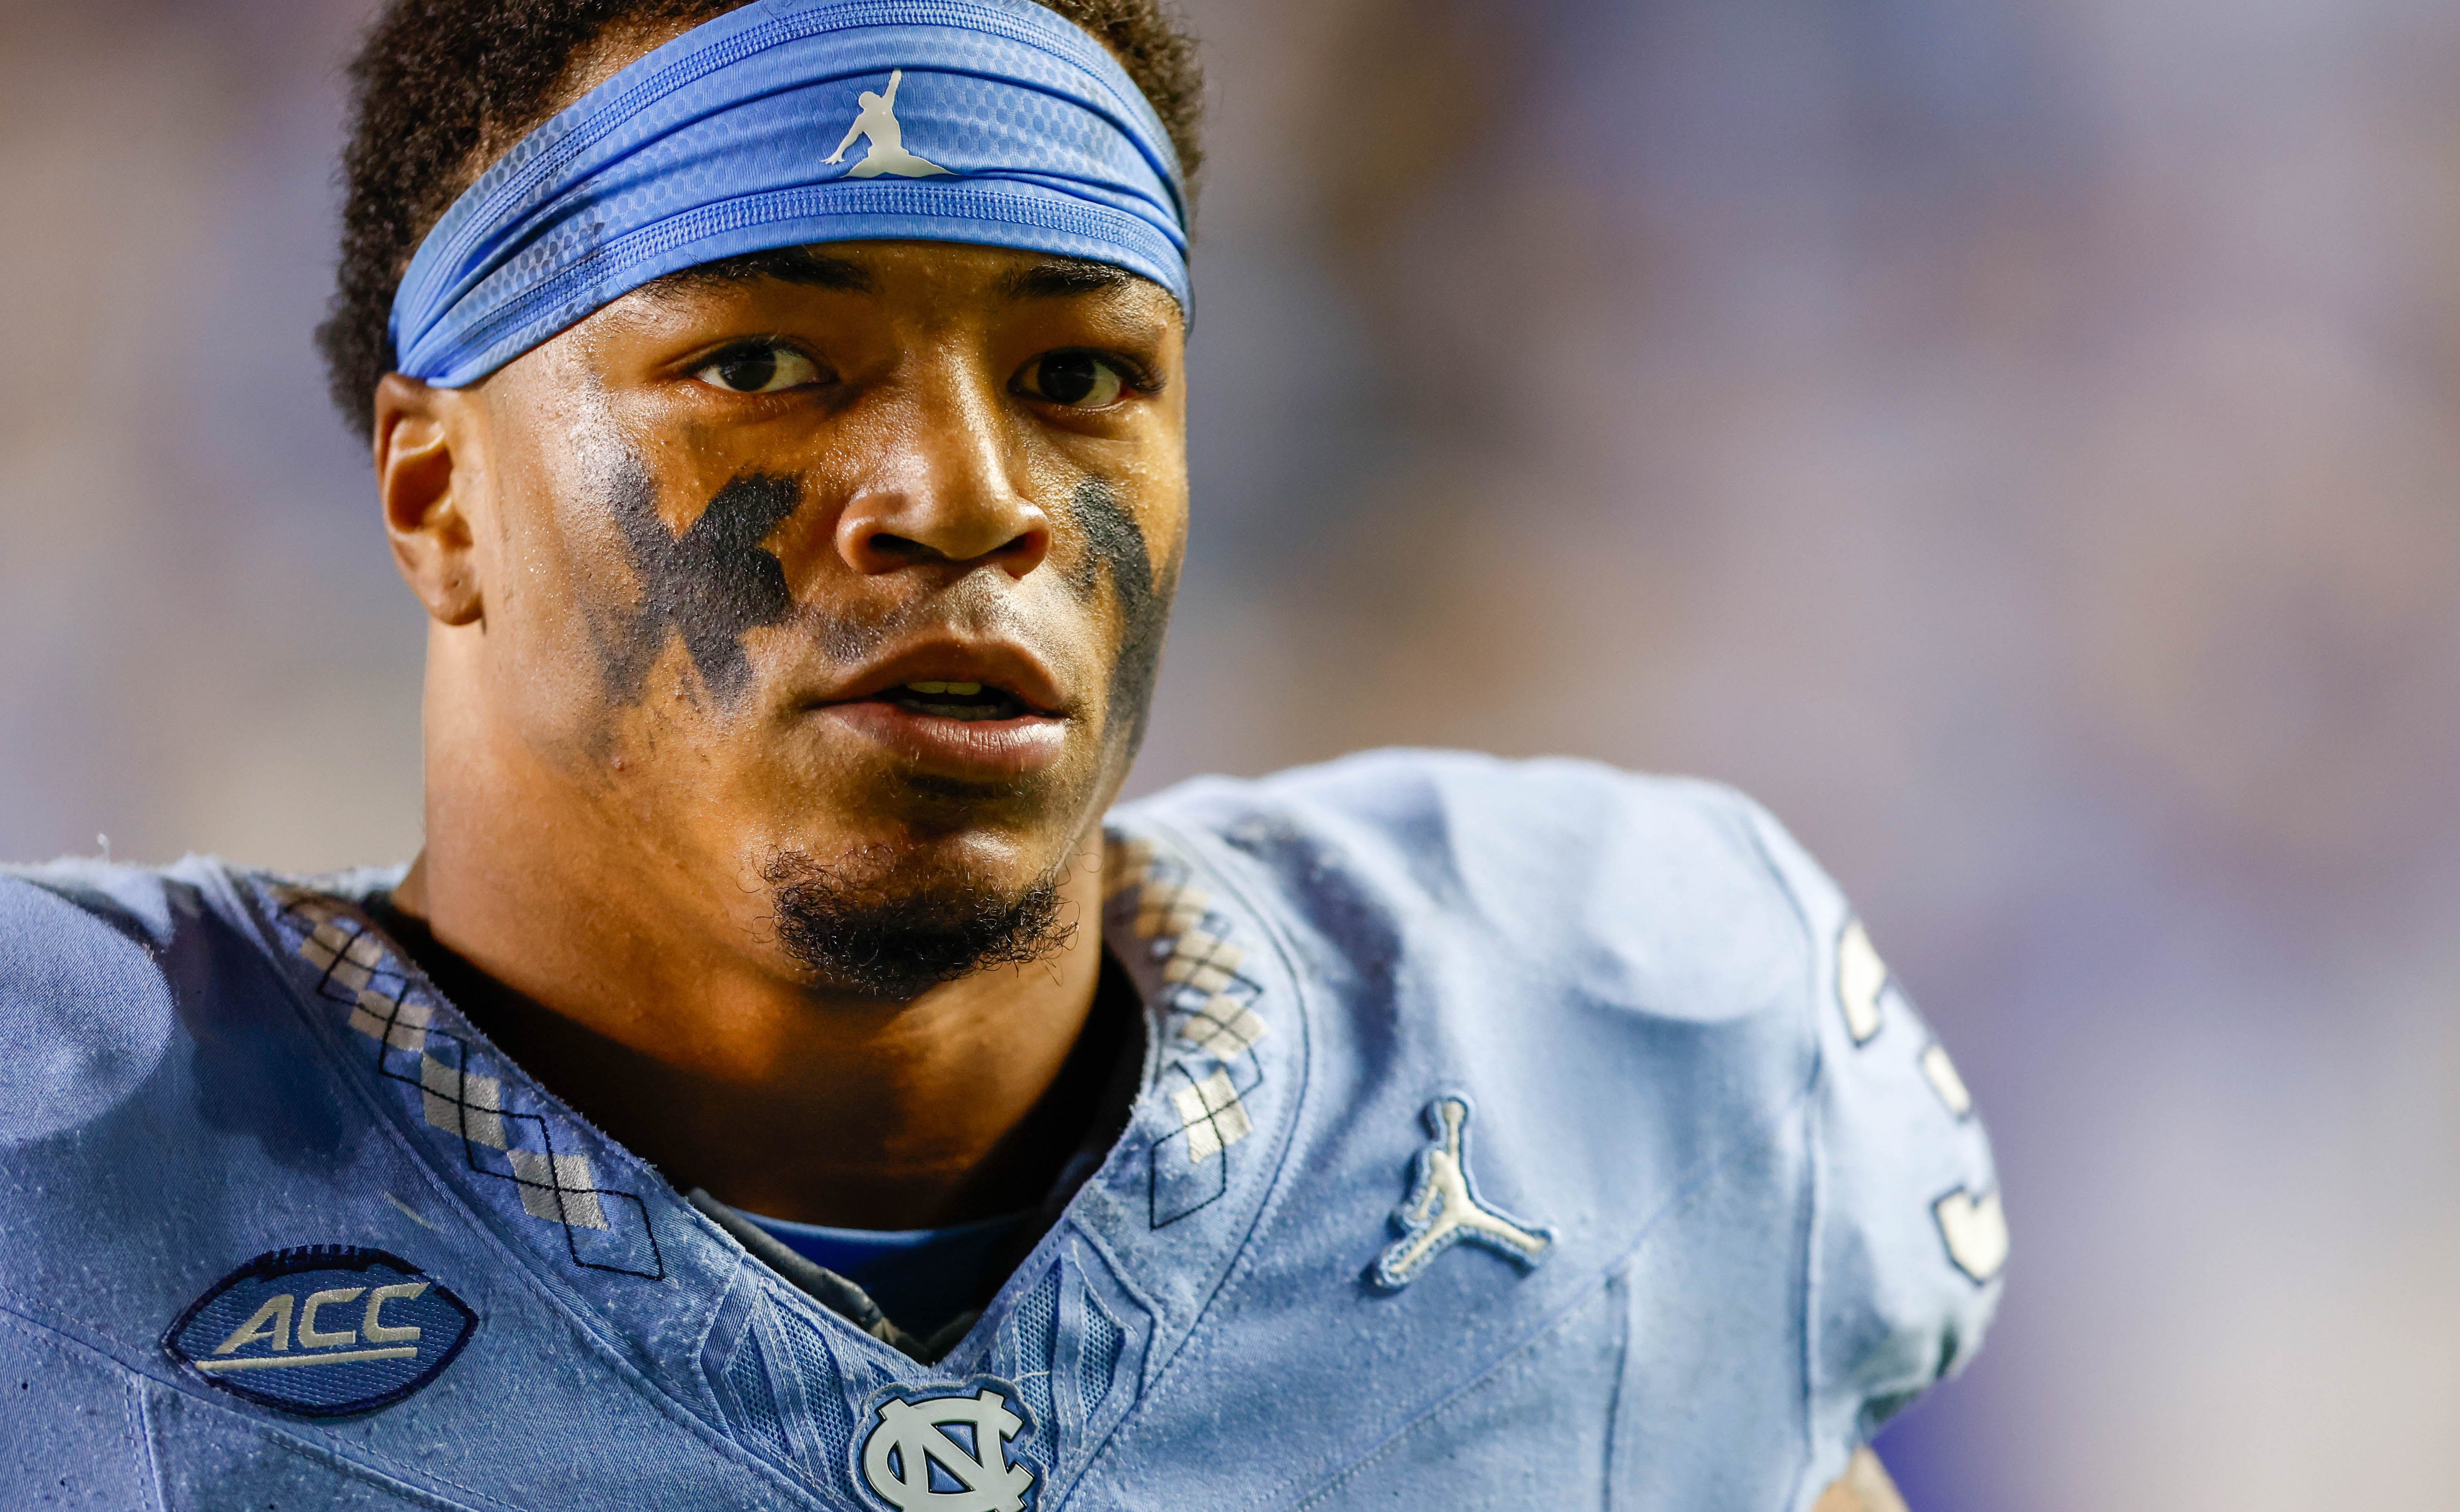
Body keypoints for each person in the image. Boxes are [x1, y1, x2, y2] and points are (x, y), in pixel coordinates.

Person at [0, 0, 2004, 1507]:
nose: (967, 495)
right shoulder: (61, 1181)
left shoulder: (1596, 1043)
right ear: (438, 497)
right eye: (762, 362)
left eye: (1078, 377)